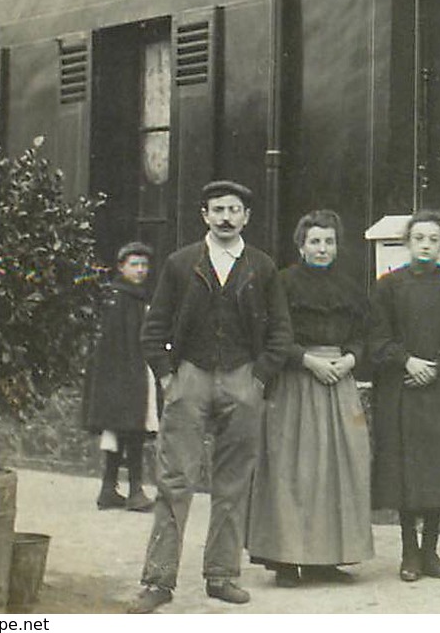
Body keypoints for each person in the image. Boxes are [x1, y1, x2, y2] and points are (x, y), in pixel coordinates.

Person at [130, 181, 290, 613]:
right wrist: (168, 377)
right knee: (174, 480)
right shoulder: (182, 264)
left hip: (243, 379)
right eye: (217, 209)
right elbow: (154, 328)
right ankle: (158, 581)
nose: (225, 217)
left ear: (246, 217)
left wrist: (259, 379)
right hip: (191, 377)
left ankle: (221, 576)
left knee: (234, 482)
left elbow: (280, 332)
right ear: (204, 215)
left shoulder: (262, 267)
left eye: (234, 209)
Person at [247, 210, 374, 587]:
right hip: (296, 381)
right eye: (315, 241)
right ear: (301, 245)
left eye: (329, 241)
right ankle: (287, 559)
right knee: (293, 469)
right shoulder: (282, 283)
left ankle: (325, 559)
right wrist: (308, 360)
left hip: (339, 380)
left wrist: (350, 358)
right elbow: (273, 335)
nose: (322, 248)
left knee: (337, 468)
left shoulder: (350, 286)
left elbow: (363, 332)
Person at [369, 209, 440, 582]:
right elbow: (378, 335)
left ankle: (431, 551)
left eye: (433, 240)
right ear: (407, 242)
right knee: (406, 470)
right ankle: (409, 553)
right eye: (419, 238)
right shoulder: (389, 285)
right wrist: (406, 361)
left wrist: (437, 365)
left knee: (437, 470)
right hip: (402, 388)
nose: (426, 245)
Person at [82, 241, 159, 513]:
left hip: (132, 371)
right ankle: (134, 490)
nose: (140, 270)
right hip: (123, 374)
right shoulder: (119, 298)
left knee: (121, 429)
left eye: (144, 265)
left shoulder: (137, 297)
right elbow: (115, 343)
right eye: (134, 265)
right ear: (121, 267)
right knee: (131, 430)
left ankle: (109, 489)